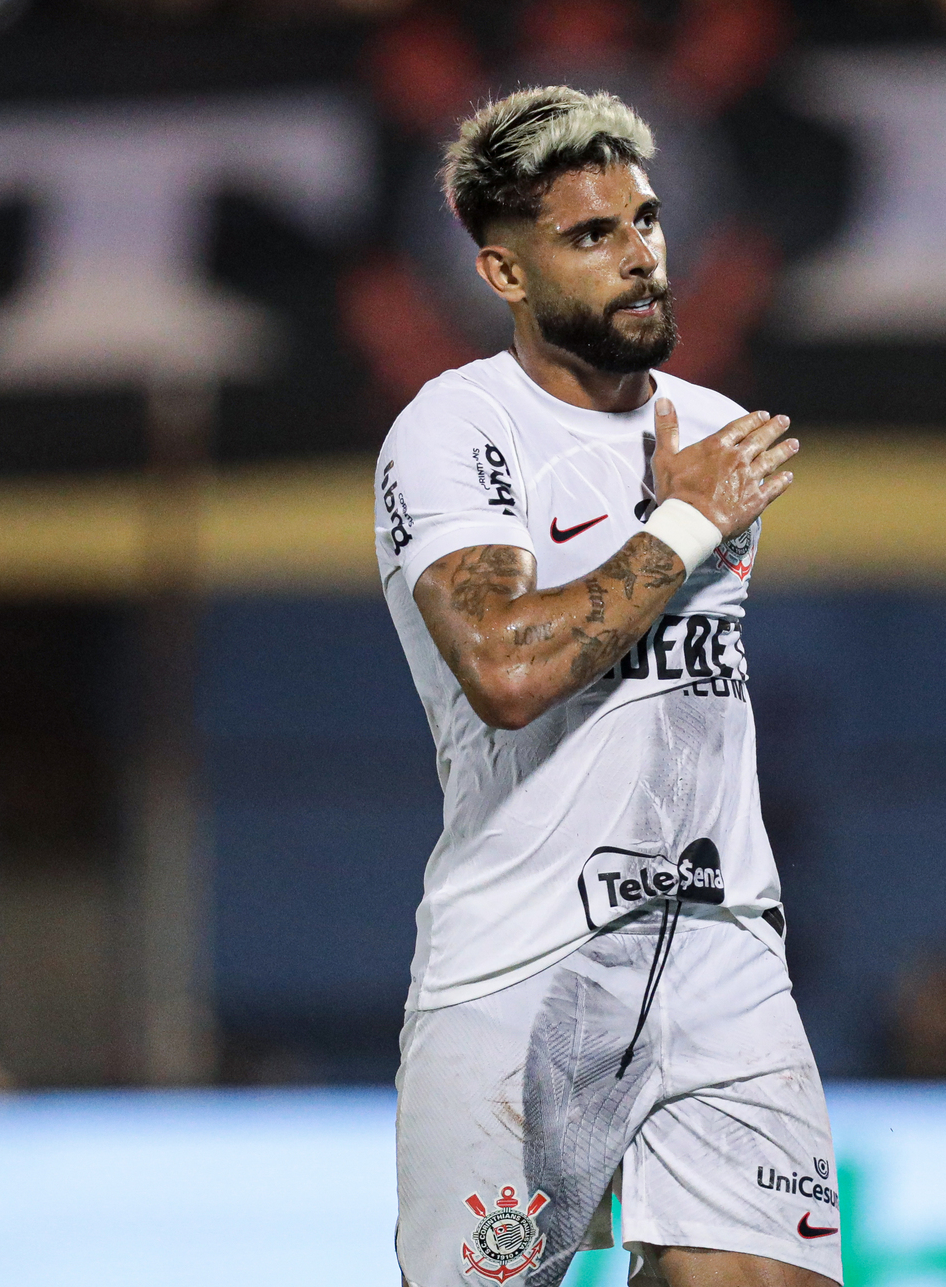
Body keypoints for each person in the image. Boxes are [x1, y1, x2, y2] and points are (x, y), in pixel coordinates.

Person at [375, 86, 840, 1287]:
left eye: (646, 220)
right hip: (522, 961)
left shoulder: (715, 429)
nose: (639, 257)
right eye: (591, 235)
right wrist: (685, 518)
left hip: (719, 944)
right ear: (505, 273)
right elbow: (507, 669)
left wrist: (697, 504)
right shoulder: (457, 429)